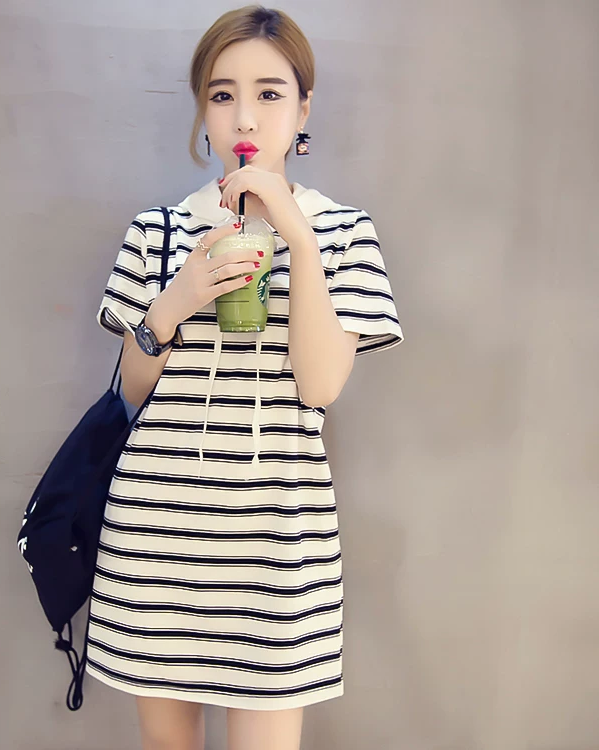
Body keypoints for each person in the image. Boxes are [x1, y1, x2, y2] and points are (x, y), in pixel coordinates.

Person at [88, 6, 404, 749]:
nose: (245, 116)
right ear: (203, 110)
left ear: (303, 109)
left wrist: (297, 236)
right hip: (157, 530)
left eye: (269, 93)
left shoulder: (344, 232)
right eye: (223, 94)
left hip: (277, 540)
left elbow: (320, 387)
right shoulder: (158, 231)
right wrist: (175, 301)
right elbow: (131, 391)